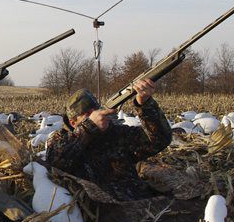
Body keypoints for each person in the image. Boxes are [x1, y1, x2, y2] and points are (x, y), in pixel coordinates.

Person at [44, 78, 172, 201]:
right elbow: (55, 162)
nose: (97, 116)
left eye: (96, 111)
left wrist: (145, 104)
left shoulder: (117, 134)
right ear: (73, 123)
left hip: (140, 205)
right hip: (101, 213)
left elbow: (159, 140)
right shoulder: (61, 140)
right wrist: (89, 127)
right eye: (88, 115)